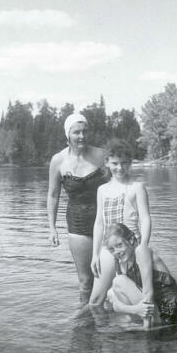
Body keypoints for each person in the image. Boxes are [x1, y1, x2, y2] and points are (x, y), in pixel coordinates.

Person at [47, 113, 110, 305]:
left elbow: (117, 184)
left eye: (84, 131)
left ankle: (110, 324)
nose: (82, 136)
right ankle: (85, 325)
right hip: (78, 221)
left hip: (106, 220)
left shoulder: (100, 155)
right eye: (76, 132)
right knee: (85, 280)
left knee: (110, 275)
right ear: (68, 135)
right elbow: (53, 195)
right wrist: (52, 227)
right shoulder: (58, 160)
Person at [89, 138, 153, 309]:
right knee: (98, 300)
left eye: (124, 163)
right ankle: (96, 332)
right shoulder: (102, 190)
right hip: (108, 248)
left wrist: (143, 247)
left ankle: (130, 328)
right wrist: (95, 254)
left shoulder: (136, 187)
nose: (120, 168)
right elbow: (99, 223)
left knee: (124, 295)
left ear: (130, 163)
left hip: (131, 247)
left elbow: (145, 219)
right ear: (107, 163)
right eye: (115, 163)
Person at [104, 223, 177, 329]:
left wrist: (146, 330)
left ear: (131, 240)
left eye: (119, 245)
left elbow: (148, 294)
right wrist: (134, 309)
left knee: (118, 281)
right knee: (110, 293)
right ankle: (134, 321)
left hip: (168, 314)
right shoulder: (120, 262)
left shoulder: (141, 251)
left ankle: (146, 326)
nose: (117, 252)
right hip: (151, 310)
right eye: (112, 249)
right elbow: (112, 303)